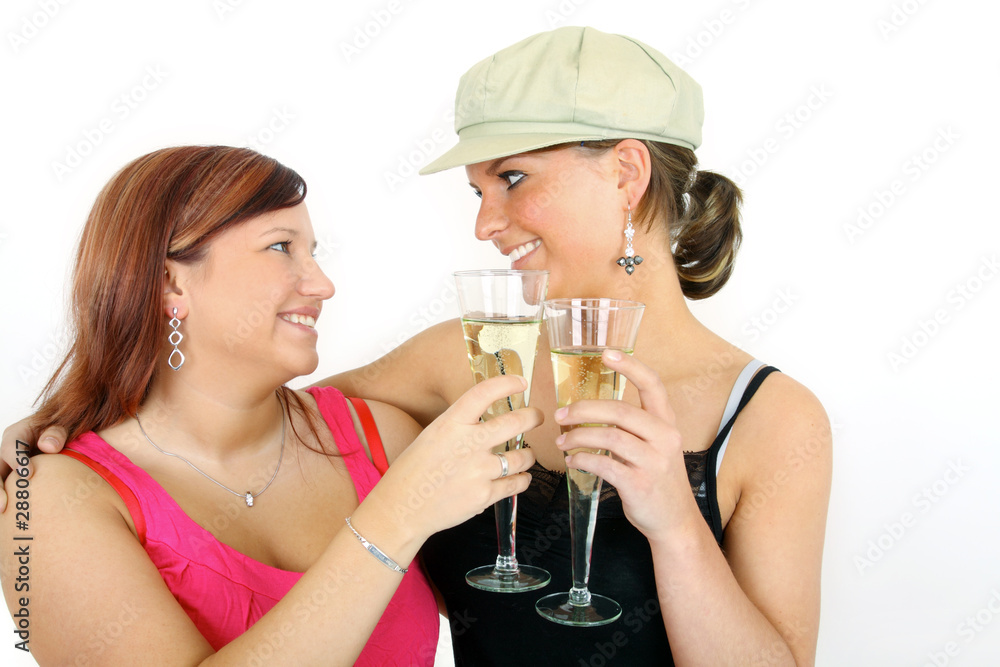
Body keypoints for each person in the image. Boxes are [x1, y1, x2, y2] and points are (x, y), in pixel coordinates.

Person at [4, 26, 832, 666]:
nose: (485, 223)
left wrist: (677, 525)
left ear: (626, 172)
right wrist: (50, 438)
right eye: (477, 191)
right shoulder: (460, 362)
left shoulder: (771, 418)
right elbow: (252, 415)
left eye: (512, 178)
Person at [0, 145, 539, 665]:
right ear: (170, 283)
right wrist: (393, 520)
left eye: (313, 253)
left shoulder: (381, 438)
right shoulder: (50, 503)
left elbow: (519, 627)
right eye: (281, 247)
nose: (323, 285)